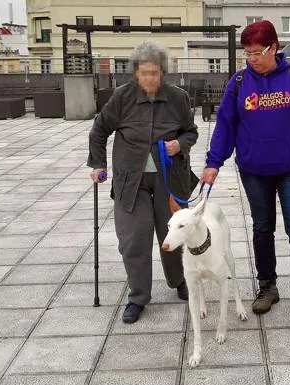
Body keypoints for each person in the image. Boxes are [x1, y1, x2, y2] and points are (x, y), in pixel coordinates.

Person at [201, 20, 290, 327]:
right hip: (254, 170)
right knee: (262, 229)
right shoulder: (238, 83)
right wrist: (213, 162)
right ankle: (268, 287)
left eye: (257, 52)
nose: (252, 59)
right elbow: (225, 126)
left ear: (274, 48)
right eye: (247, 53)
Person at [88, 41, 198, 324]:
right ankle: (138, 297)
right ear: (136, 72)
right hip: (131, 179)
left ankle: (179, 281)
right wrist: (98, 164)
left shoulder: (177, 98)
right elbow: (99, 131)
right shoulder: (122, 97)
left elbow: (191, 132)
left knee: (173, 233)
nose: (150, 78)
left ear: (163, 72)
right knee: (133, 238)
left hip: (170, 178)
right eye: (144, 72)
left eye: (155, 72)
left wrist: (179, 144)